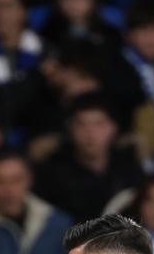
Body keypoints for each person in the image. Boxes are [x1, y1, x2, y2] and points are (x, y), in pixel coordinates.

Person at [37, 94, 144, 224]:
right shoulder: (52, 174)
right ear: (71, 129)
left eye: (98, 124)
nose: (90, 133)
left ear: (113, 128)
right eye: (82, 125)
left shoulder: (129, 169)